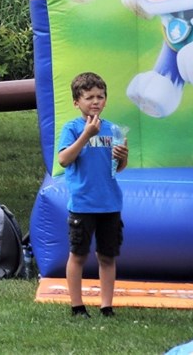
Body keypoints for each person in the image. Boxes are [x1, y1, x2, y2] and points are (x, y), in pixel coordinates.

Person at [56, 71, 130, 318]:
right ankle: (77, 306)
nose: (95, 101)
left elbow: (117, 168)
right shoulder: (72, 128)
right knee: (78, 255)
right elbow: (64, 159)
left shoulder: (113, 130)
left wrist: (123, 157)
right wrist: (86, 135)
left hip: (110, 204)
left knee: (107, 257)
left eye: (100, 96)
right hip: (82, 204)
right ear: (76, 102)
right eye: (89, 97)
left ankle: (106, 306)